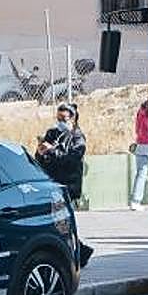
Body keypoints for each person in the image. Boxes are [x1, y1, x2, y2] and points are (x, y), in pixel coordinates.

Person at [35, 103, 93, 267]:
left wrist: (52, 151)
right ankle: (80, 252)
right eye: (58, 118)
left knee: (62, 223)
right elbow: (41, 158)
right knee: (59, 223)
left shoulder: (77, 137)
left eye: (64, 118)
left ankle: (80, 253)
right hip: (51, 183)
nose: (60, 121)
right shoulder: (52, 133)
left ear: (72, 119)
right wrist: (41, 152)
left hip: (68, 185)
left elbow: (71, 160)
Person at [130, 100, 148, 210]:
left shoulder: (140, 112)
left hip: (140, 144)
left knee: (141, 174)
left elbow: (137, 129)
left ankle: (135, 200)